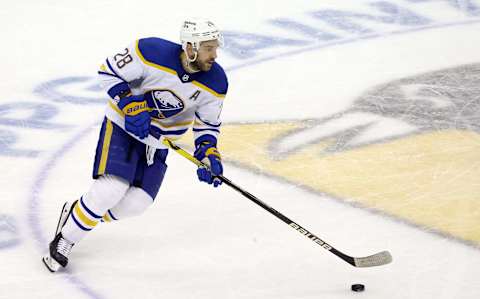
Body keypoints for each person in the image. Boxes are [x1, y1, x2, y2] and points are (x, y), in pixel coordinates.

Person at [42, 18, 228, 272]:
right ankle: (66, 238)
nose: (214, 54)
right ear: (190, 47)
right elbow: (108, 71)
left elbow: (207, 126)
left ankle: (78, 214)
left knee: (137, 204)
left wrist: (209, 154)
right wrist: (130, 105)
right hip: (122, 128)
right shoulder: (150, 51)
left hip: (159, 143)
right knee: (110, 190)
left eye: (215, 47)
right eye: (208, 48)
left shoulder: (216, 82)